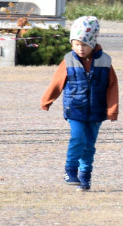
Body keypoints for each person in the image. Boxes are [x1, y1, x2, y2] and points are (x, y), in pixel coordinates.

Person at [41, 16, 119, 191]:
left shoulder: (105, 61)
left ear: (92, 43)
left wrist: (112, 110)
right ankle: (70, 170)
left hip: (96, 111)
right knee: (77, 138)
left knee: (89, 145)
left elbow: (112, 87)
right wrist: (47, 100)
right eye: (76, 44)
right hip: (75, 109)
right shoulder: (68, 61)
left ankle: (85, 176)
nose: (80, 48)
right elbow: (56, 82)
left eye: (84, 44)